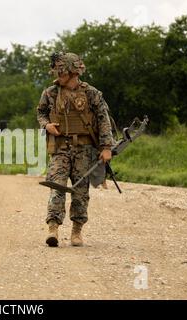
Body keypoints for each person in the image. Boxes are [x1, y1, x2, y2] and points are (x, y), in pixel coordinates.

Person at [37, 52, 114, 247]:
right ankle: (53, 228)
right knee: (56, 186)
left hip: (84, 149)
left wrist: (106, 147)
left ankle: (77, 231)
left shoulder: (91, 94)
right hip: (60, 148)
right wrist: (46, 125)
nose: (57, 76)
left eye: (61, 72)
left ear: (73, 73)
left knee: (80, 191)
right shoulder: (50, 93)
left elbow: (104, 120)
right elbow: (41, 113)